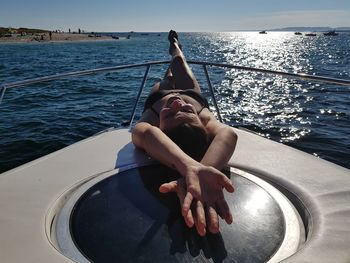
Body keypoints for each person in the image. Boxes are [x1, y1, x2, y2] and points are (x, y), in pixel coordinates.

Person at [132, 30, 237, 237]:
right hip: (192, 92)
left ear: (161, 128)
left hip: (158, 96)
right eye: (186, 112)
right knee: (178, 61)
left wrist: (188, 167)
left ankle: (173, 58)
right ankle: (175, 44)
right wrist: (200, 170)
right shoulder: (204, 119)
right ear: (200, 122)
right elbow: (228, 135)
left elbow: (144, 133)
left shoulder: (153, 119)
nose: (177, 105)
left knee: (169, 75)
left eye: (170, 115)